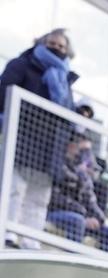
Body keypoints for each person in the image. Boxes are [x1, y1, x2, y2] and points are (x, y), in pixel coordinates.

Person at [1, 28, 77, 246]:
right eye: (52, 44)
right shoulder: (23, 64)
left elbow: (67, 113)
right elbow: (3, 91)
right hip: (23, 137)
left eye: (62, 46)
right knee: (14, 189)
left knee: (39, 198)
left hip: (51, 147)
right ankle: (7, 232)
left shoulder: (65, 78)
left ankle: (30, 240)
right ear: (42, 43)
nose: (57, 49)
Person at [46, 134, 108, 253]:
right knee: (78, 221)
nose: (87, 155)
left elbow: (90, 201)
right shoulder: (58, 166)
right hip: (55, 213)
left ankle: (98, 268)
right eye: (84, 150)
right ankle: (71, 262)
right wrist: (84, 216)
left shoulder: (83, 175)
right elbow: (54, 198)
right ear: (71, 146)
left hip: (80, 217)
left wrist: (99, 219)